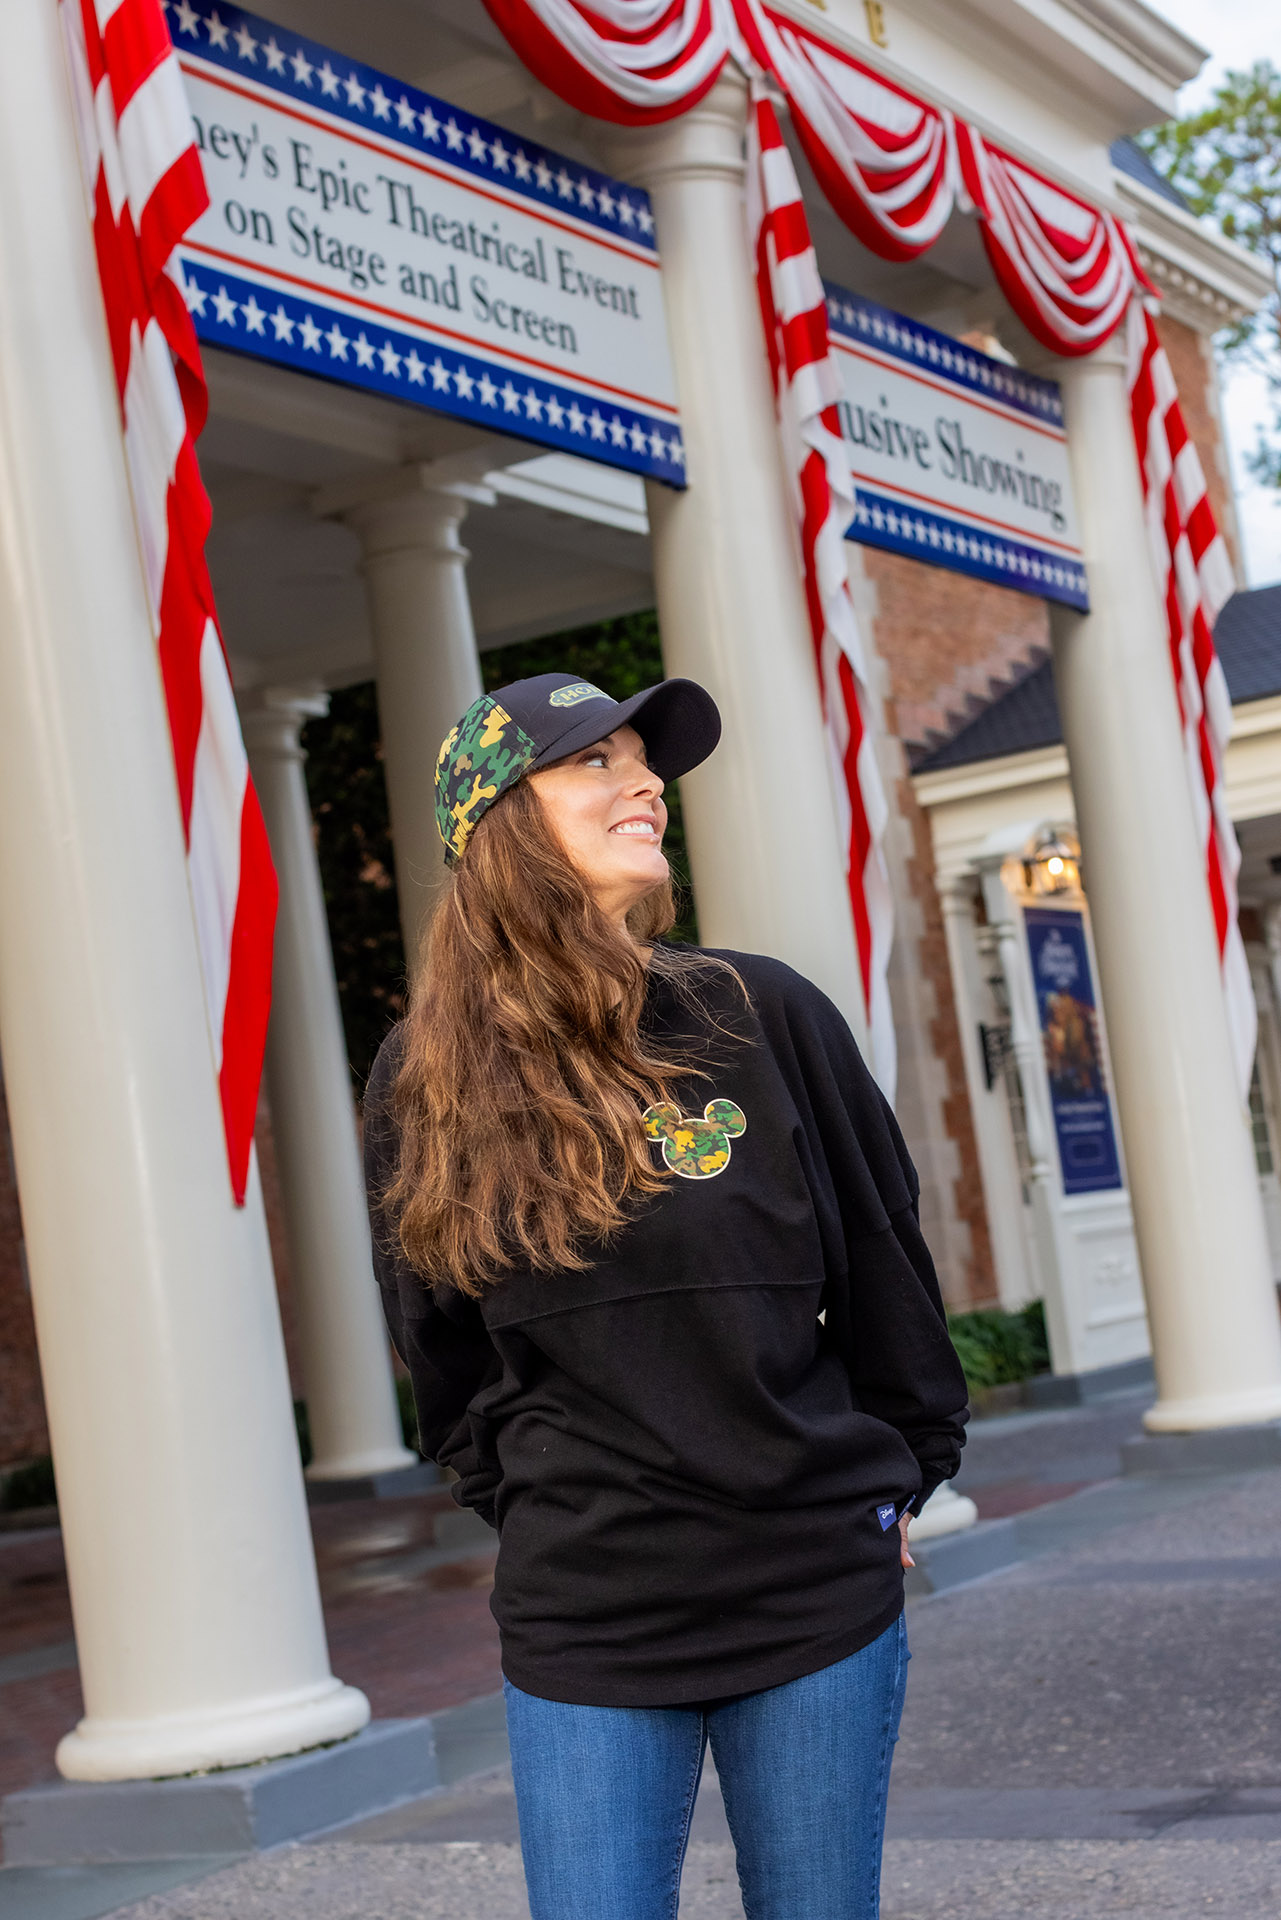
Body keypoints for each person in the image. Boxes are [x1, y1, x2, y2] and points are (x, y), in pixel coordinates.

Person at [363, 669, 969, 1920]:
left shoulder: (761, 1014)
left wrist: (901, 1474)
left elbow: (885, 1268)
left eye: (643, 759)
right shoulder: (425, 1077)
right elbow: (442, 1353)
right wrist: (551, 1507)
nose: (644, 782)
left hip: (808, 1591)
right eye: (595, 759)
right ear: (498, 821)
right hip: (588, 1615)